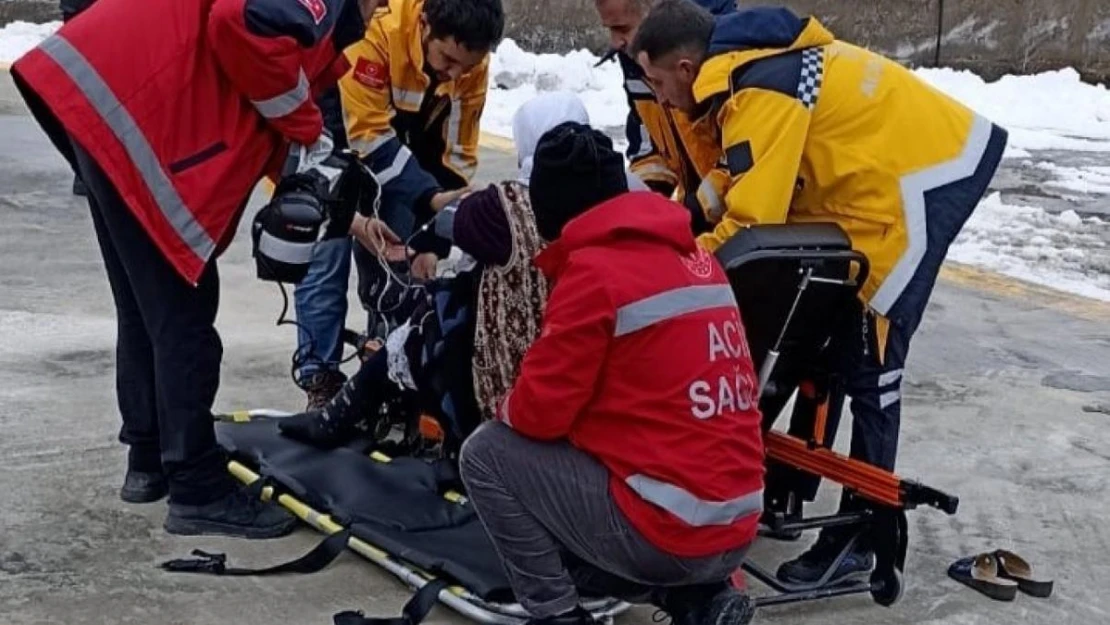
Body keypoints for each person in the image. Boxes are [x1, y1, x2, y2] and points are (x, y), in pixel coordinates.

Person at [631, 0, 1008, 585]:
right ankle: (790, 488)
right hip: (860, 191)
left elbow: (755, 219)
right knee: (812, 339)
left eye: (657, 83)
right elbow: (737, 175)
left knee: (871, 362)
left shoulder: (763, 86)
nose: (658, 98)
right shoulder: (743, 76)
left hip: (914, 187)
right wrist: (680, 224)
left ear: (685, 66)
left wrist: (679, 270)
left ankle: (860, 537)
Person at [10, 0, 398, 538]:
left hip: (104, 94)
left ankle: (147, 458)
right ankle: (195, 485)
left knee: (147, 306)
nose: (384, 9)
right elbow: (239, 23)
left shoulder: (325, 28)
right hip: (136, 102)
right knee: (185, 313)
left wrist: (338, 205)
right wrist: (307, 130)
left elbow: (265, 99)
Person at [458, 122, 764, 625]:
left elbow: (538, 415)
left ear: (553, 213)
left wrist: (503, 405)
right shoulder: (699, 259)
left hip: (669, 532)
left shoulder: (594, 275)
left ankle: (556, 614)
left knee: (487, 454)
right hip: (736, 526)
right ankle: (694, 597)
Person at [278, 92, 591, 452]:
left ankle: (339, 414)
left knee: (430, 309)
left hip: (516, 383)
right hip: (585, 375)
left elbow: (449, 220)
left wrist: (419, 246)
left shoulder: (505, 204)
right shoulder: (616, 192)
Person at [291, 0, 505, 410]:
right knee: (326, 262)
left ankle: (386, 376)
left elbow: (456, 155)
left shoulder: (471, 62)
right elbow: (366, 135)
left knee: (399, 270)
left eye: (467, 65)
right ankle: (321, 383)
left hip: (404, 162)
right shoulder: (377, 32)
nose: (455, 73)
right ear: (425, 25)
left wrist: (432, 237)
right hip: (335, 137)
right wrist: (359, 215)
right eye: (447, 59)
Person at [593, 0, 734, 233]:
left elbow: (741, 165)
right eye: (609, 29)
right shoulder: (635, 60)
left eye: (622, 28)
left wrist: (687, 215)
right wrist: (642, 200)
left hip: (744, 233)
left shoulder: (718, 58)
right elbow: (648, 146)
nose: (615, 42)